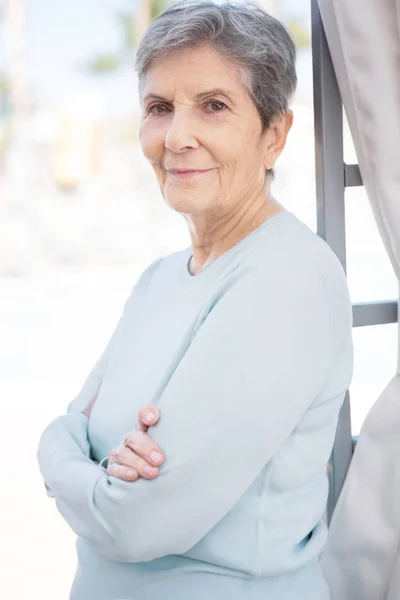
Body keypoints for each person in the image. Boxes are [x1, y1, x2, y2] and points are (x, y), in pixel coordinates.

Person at [37, 2, 354, 599]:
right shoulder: (158, 279)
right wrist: (78, 454)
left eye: (213, 106)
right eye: (159, 108)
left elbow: (132, 521)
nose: (177, 137)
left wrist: (57, 454)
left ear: (274, 135)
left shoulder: (286, 279)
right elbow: (76, 425)